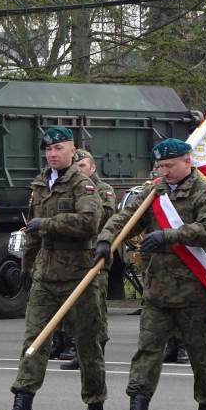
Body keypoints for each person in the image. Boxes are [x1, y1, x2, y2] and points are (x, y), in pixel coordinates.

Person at [94, 138, 206, 410]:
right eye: (161, 166)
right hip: (157, 290)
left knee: (200, 355)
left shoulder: (204, 192)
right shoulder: (155, 191)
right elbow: (127, 218)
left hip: (192, 290)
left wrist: (171, 235)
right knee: (147, 352)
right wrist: (106, 238)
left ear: (186, 162)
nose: (165, 171)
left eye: (170, 165)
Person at [0, 126, 106, 410]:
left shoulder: (84, 185)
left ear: (71, 150)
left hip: (78, 274)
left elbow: (90, 222)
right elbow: (33, 232)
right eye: (48, 150)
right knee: (33, 343)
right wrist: (26, 268)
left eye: (59, 149)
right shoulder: (41, 184)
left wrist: (48, 224)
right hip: (46, 275)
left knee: (88, 346)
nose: (53, 155)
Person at [59, 148, 117, 371]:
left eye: (82, 165)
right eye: (76, 165)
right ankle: (78, 349)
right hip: (75, 256)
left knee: (96, 307)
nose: (78, 169)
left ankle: (97, 350)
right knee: (76, 306)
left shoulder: (104, 190)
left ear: (92, 168)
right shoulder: (72, 188)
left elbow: (104, 218)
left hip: (95, 254)